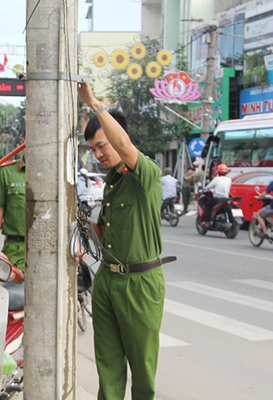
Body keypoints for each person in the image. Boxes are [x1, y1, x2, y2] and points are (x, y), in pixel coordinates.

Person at [79, 82, 168, 400]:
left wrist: (93, 104)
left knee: (142, 370)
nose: (99, 154)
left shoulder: (145, 174)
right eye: (93, 149)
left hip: (140, 283)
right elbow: (103, 235)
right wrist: (77, 220)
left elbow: (125, 146)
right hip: (107, 280)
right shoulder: (112, 184)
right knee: (108, 365)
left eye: (103, 145)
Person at [0, 140, 26, 270]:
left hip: (50, 252)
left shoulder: (57, 173)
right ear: (23, 142)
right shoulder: (6, 172)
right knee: (11, 290)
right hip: (14, 251)